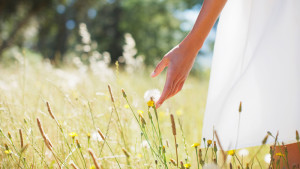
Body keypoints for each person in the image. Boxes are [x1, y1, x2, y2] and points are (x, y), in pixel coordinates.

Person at [151, 0, 300, 167]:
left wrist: (190, 47)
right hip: (278, 18)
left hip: (280, 19)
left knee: (289, 143)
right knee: (289, 141)